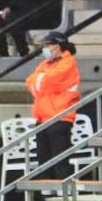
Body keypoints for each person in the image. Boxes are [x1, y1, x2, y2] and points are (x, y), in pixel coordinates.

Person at [25, 32, 80, 181]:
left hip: (60, 118)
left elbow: (47, 82)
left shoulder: (68, 63)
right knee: (44, 164)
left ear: (57, 46)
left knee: (60, 164)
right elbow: (30, 82)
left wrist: (40, 81)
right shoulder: (45, 63)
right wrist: (40, 81)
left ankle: (65, 199)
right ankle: (46, 198)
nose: (44, 48)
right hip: (42, 118)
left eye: (47, 45)